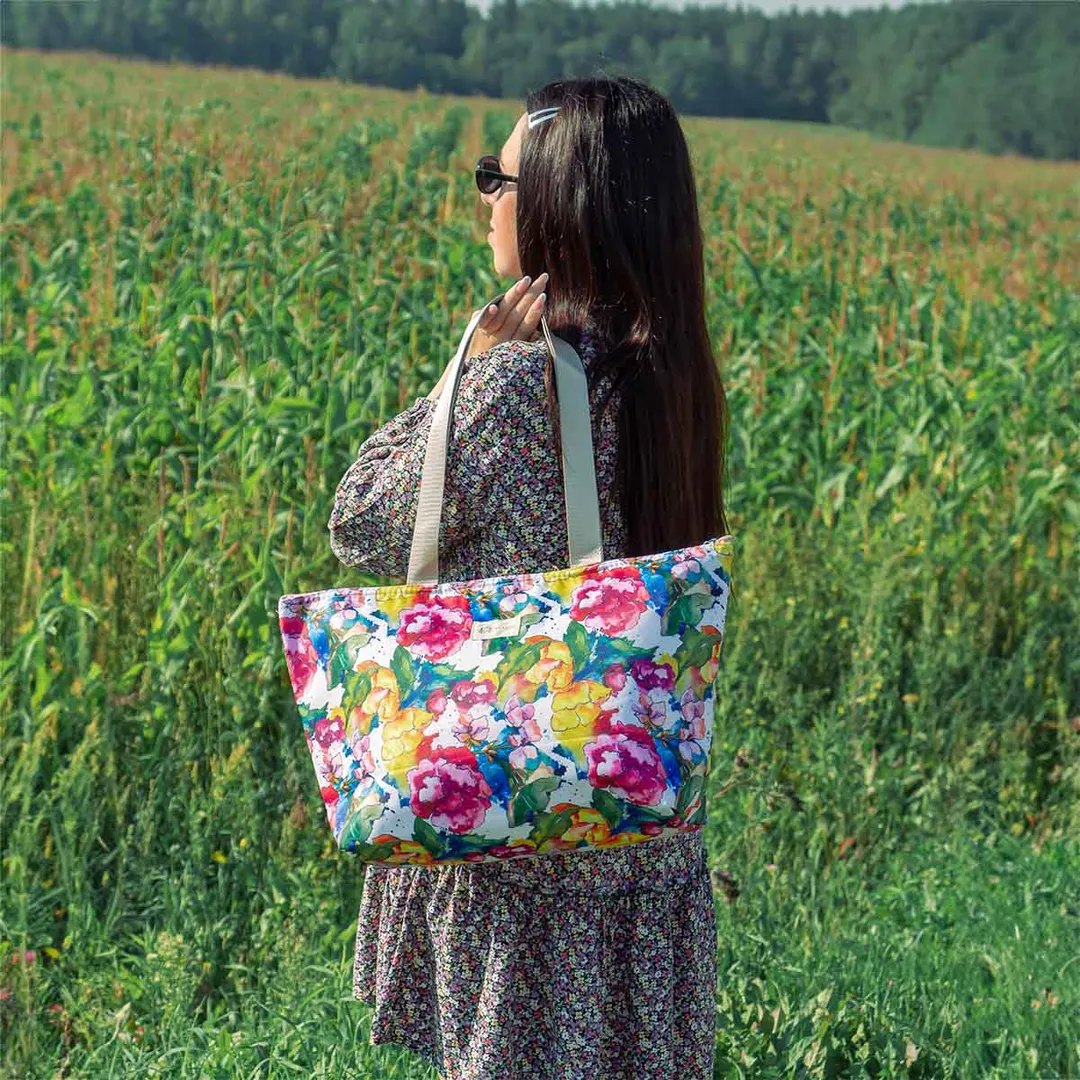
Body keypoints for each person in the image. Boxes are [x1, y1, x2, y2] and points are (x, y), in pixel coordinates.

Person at [327, 75, 730, 1080]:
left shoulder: (517, 384)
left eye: (495, 178)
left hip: (523, 844)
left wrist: (466, 371)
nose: (484, 199)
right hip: (637, 847)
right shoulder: (671, 377)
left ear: (556, 202)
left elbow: (361, 520)